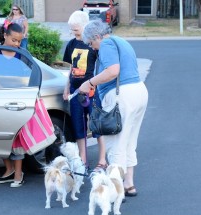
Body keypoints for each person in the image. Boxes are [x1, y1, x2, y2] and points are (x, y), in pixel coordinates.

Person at [79, 19, 148, 197]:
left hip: (121, 96)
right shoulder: (122, 41)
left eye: (91, 43)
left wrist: (90, 82)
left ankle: (115, 191)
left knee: (115, 144)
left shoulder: (107, 43)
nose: (92, 48)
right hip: (139, 92)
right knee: (129, 141)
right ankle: (128, 184)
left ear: (97, 36)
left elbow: (113, 71)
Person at [62, 11, 107, 169]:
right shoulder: (71, 44)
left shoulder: (92, 44)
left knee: (96, 124)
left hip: (91, 90)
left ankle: (102, 159)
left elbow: (102, 67)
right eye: (71, 30)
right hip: (75, 90)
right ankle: (83, 159)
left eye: (75, 29)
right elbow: (71, 68)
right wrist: (66, 88)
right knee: (78, 125)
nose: (73, 33)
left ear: (84, 26)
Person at [0, 22, 25, 187]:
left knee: (16, 138)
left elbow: (27, 77)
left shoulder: (21, 54)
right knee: (2, 136)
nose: (17, 44)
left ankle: (18, 173)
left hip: (16, 101)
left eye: (19, 41)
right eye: (14, 40)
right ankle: (9, 170)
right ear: (5, 35)